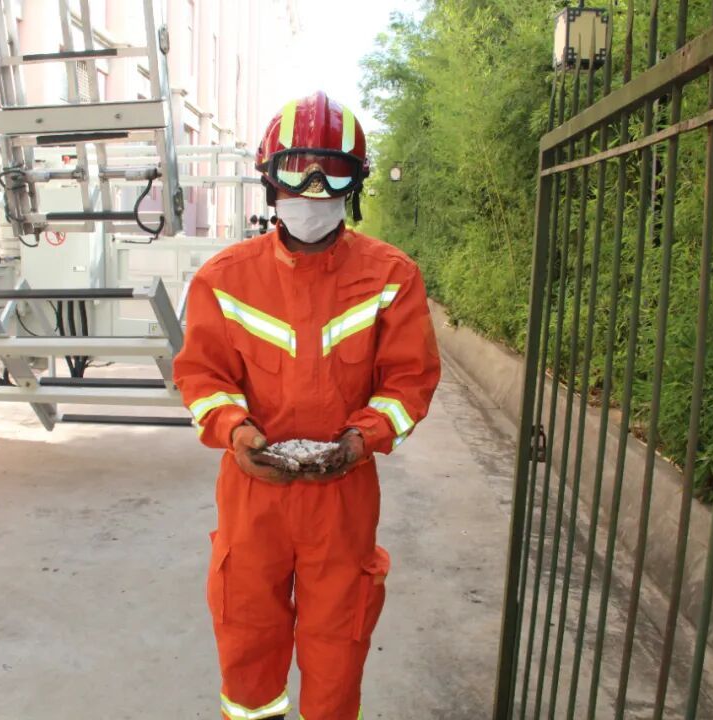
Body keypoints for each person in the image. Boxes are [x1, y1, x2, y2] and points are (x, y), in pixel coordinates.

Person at [173, 90, 441, 720]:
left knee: (337, 650)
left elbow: (410, 382)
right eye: (298, 172)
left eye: (334, 174)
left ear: (355, 185)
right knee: (247, 643)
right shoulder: (224, 279)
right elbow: (202, 377)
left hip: (342, 497)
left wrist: (360, 440)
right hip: (253, 495)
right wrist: (236, 432)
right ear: (271, 181)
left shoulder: (391, 276)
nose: (315, 192)